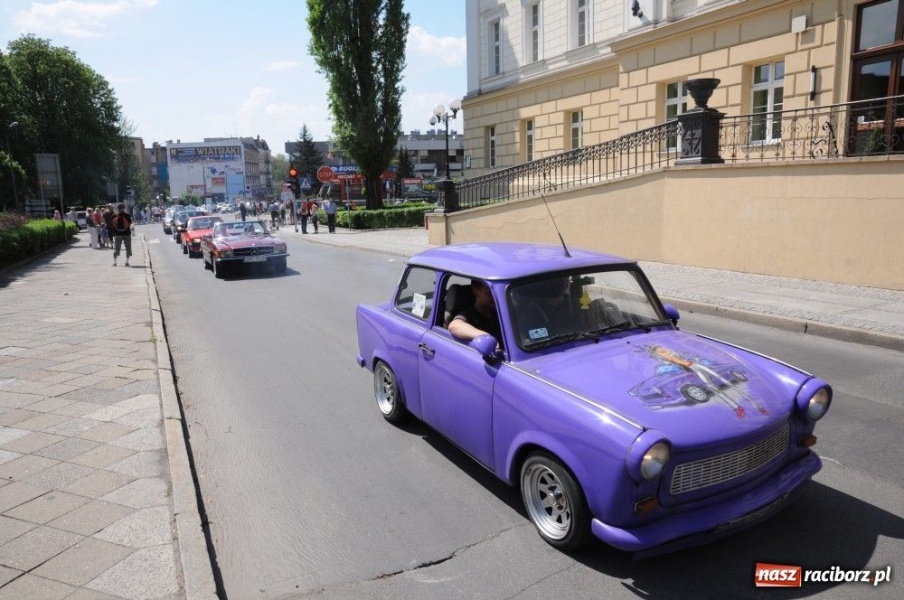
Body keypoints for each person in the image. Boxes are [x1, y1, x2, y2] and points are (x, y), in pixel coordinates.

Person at [448, 279, 504, 349]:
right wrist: (485, 336)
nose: (495, 297)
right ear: (476, 292)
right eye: (489, 293)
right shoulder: (469, 315)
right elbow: (455, 326)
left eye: (497, 292)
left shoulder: (499, 311)